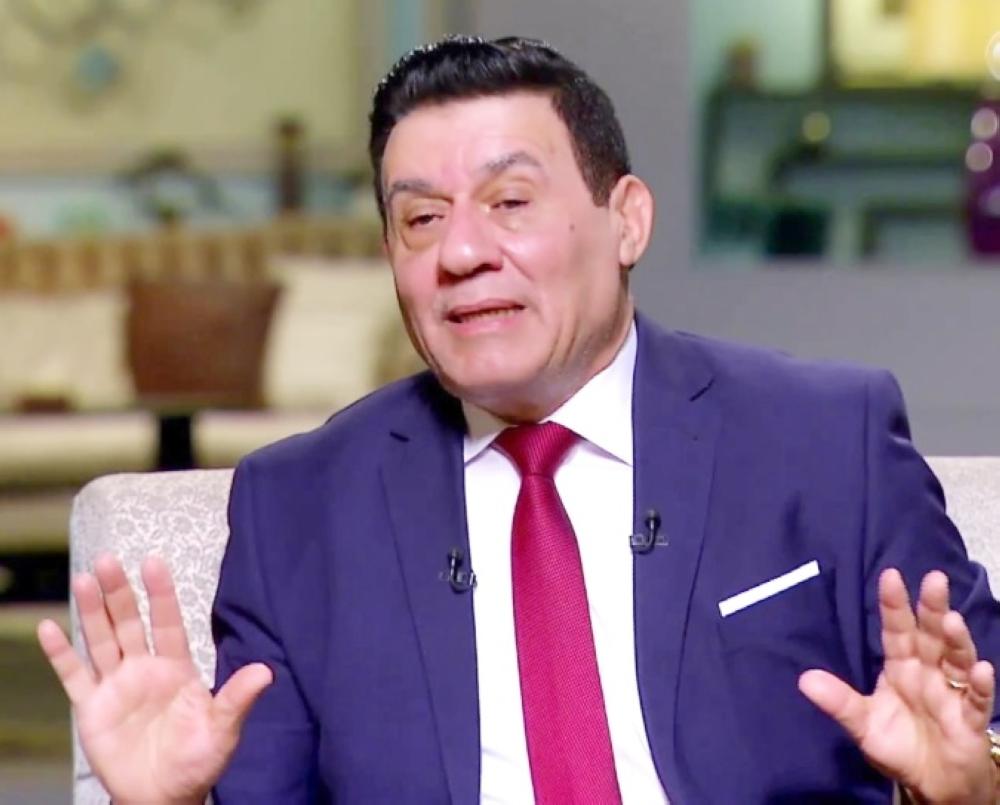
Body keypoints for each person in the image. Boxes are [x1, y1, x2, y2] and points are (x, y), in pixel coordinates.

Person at [38, 35, 1000, 803]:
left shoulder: (824, 438)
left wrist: (967, 786)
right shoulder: (298, 504)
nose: (461, 253)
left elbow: (975, 724)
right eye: (421, 220)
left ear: (626, 220)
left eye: (509, 201)